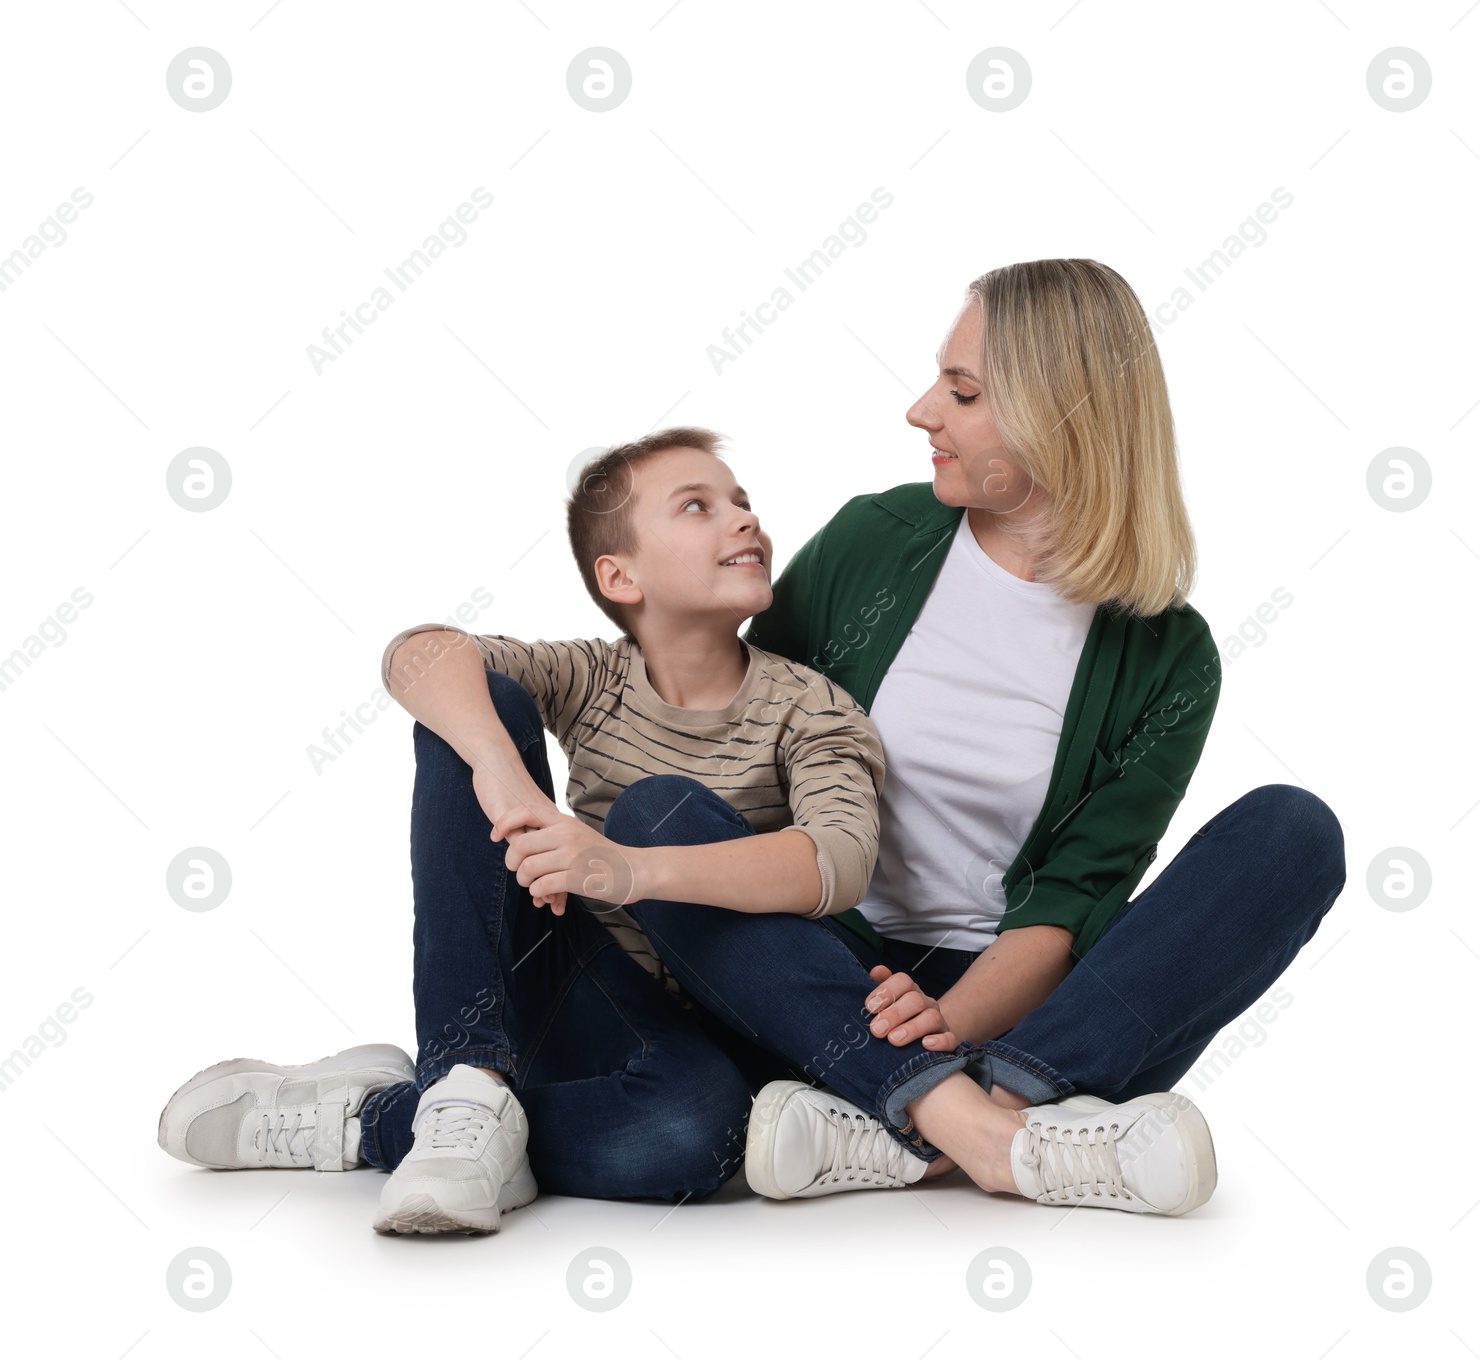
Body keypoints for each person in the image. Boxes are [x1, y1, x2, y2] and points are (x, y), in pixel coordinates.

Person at [613, 258, 1348, 1214]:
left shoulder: (1171, 655)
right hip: (823, 973)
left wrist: (950, 1026)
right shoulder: (874, 539)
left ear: (1061, 417)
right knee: (655, 811)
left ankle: (940, 1117)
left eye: (962, 393)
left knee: (1293, 832)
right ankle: (1004, 1132)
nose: (923, 411)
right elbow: (742, 758)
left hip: (1026, 1007)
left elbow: (1074, 899)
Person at [156, 426, 888, 1234]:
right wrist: (502, 767)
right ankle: (466, 1077)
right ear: (621, 575)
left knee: (690, 1137)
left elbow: (838, 862)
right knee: (477, 703)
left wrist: (630, 870)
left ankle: (376, 1120)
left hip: (721, 1025)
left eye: (743, 503)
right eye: (698, 506)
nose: (744, 520)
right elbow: (422, 654)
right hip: (572, 984)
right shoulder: (592, 675)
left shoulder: (809, 705)